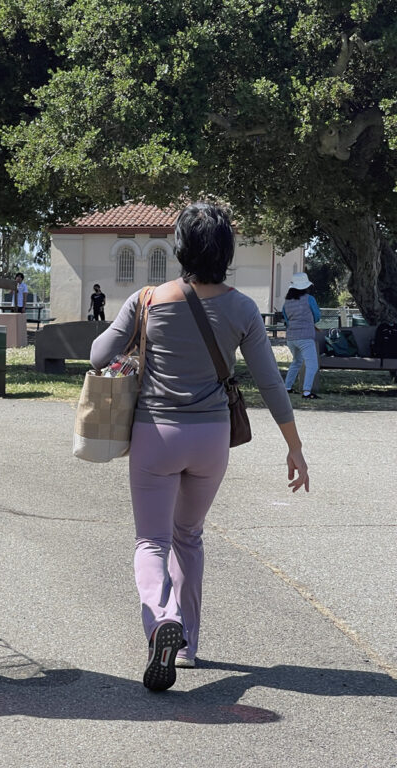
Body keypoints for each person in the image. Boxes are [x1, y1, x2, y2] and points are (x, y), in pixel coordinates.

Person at [90, 202, 309, 692]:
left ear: (180, 247)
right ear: (227, 251)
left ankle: (161, 618)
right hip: (212, 439)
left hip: (156, 435)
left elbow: (98, 354)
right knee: (188, 535)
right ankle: (186, 644)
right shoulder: (243, 307)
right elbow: (271, 383)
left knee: (152, 541)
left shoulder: (148, 299)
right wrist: (294, 447)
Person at [282, 273, 321, 399]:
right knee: (312, 365)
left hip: (291, 337)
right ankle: (306, 392)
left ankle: (287, 387)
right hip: (305, 337)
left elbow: (287, 319)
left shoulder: (286, 302)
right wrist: (310, 322)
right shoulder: (309, 299)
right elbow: (317, 316)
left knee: (296, 362)